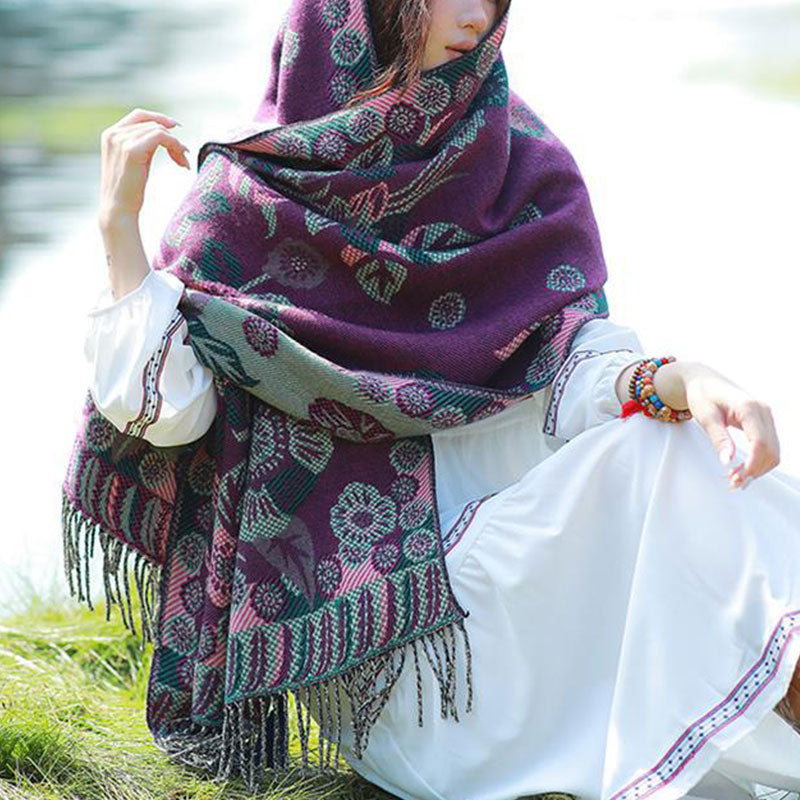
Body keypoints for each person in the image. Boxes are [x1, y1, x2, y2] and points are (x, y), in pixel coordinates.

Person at [67, 1, 800, 798]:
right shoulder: (244, 202)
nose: (476, 16)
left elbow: (569, 370)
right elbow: (165, 416)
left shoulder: (516, 163)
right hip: (404, 667)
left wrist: (690, 381)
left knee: (671, 443)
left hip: (535, 592)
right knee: (655, 465)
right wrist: (118, 230)